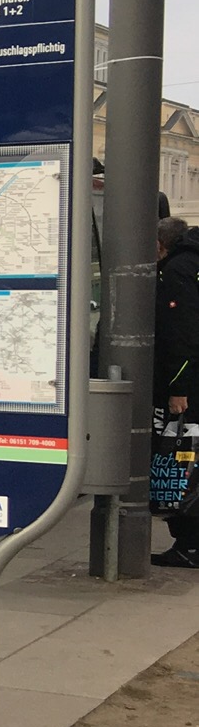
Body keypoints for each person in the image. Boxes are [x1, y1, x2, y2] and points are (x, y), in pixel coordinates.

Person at [152, 216, 199, 566]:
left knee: (181, 460)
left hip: (189, 386)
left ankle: (188, 543)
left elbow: (180, 333)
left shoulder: (176, 272)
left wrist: (177, 388)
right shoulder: (193, 264)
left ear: (159, 245)